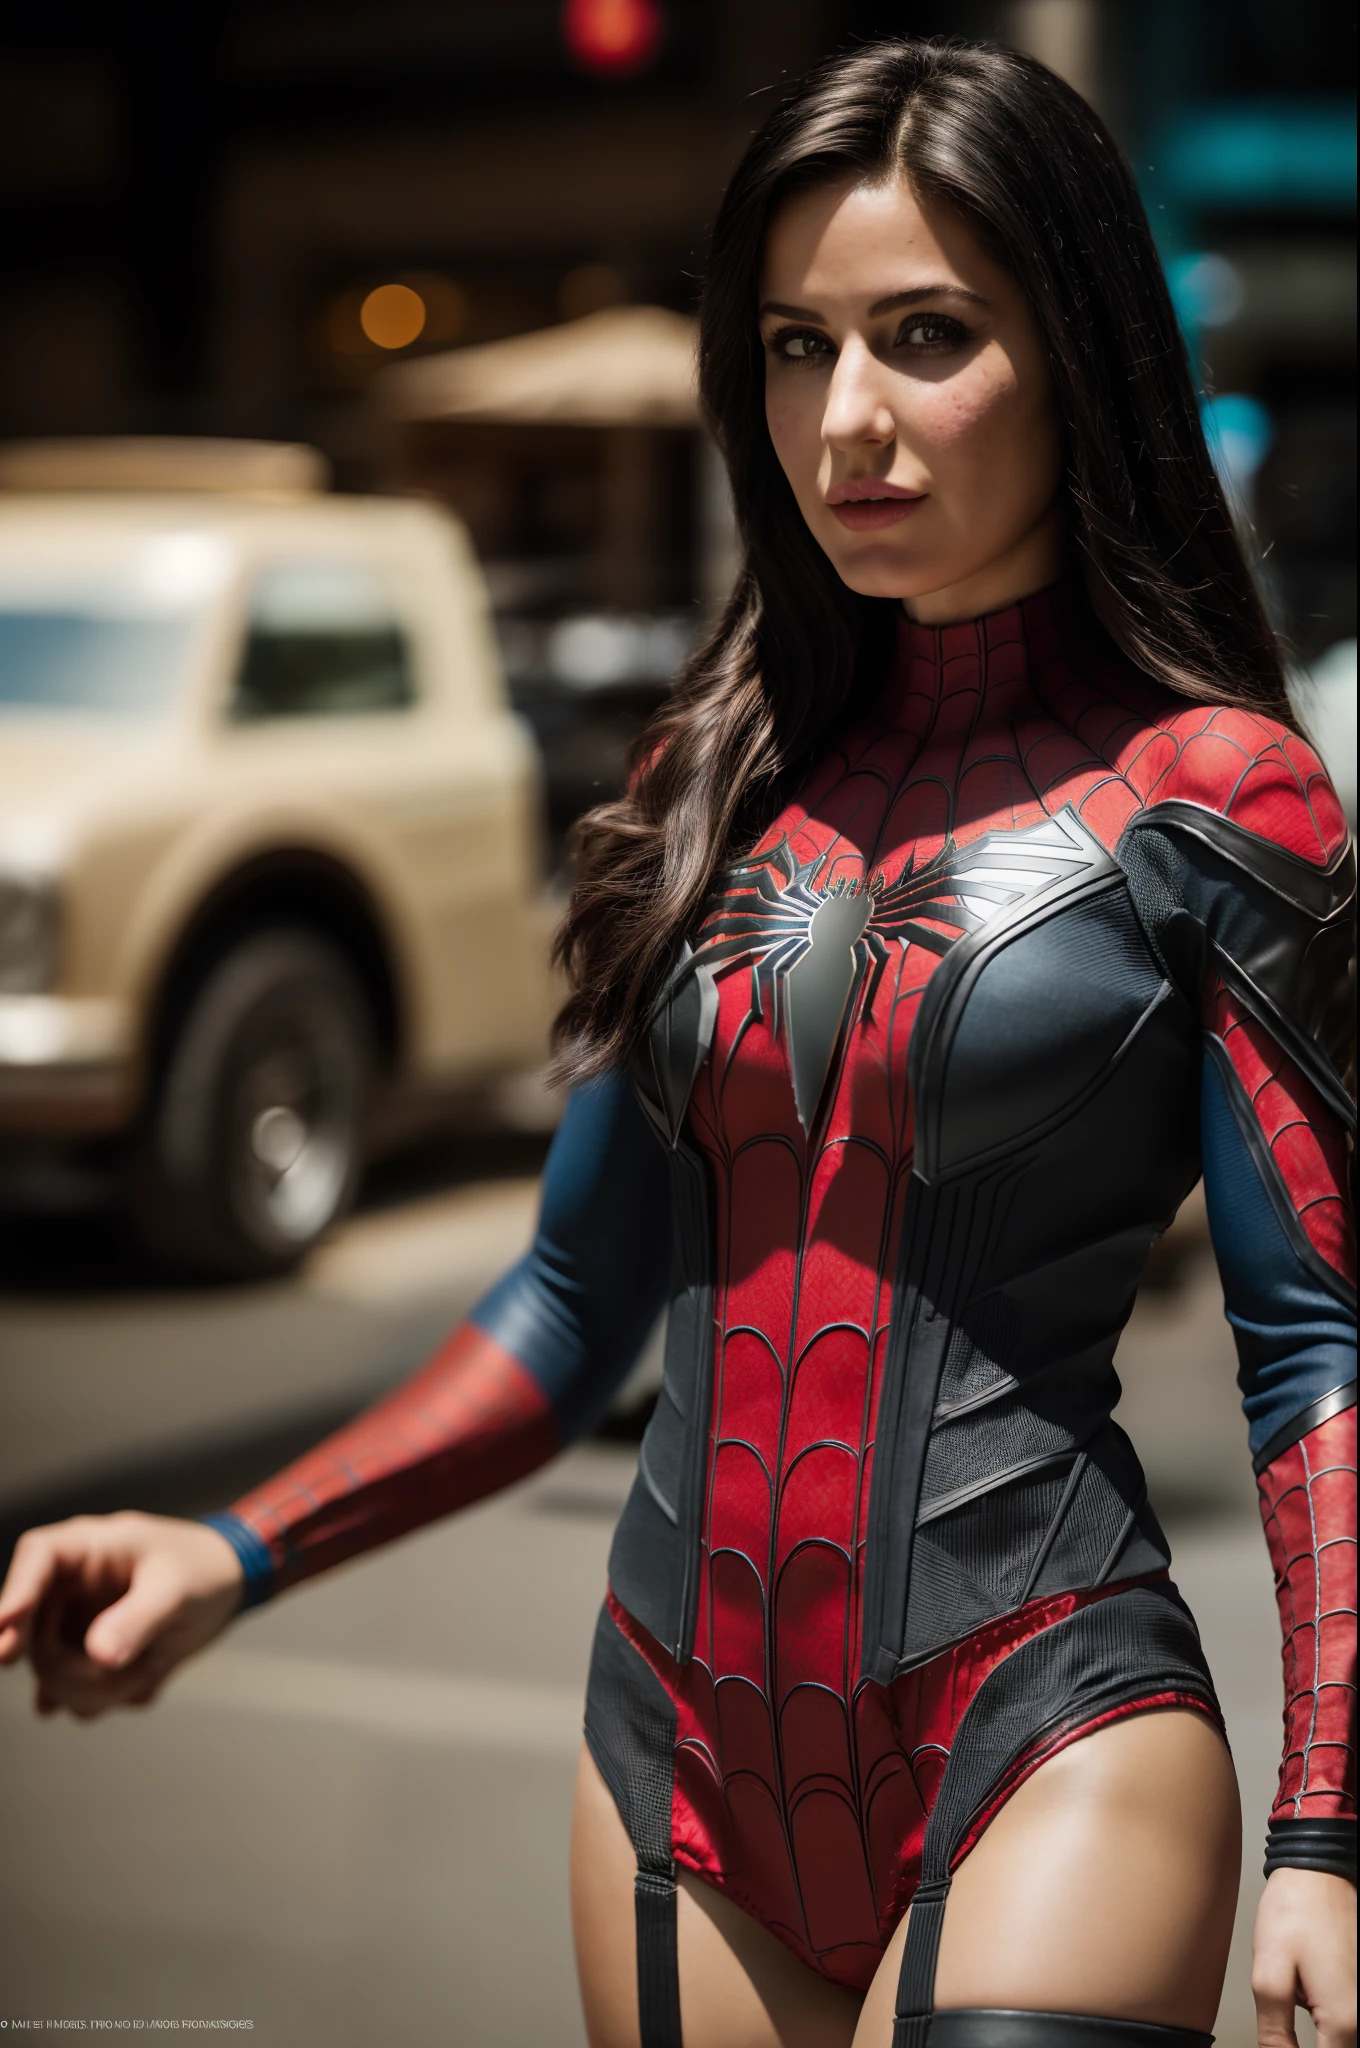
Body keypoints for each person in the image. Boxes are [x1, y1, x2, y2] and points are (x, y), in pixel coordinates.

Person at [0, 38, 1353, 2048]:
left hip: (1044, 1723)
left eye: (923, 336)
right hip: (667, 1757)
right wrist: (227, 1547)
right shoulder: (703, 784)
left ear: (1072, 350)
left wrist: (1327, 1825)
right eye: (796, 347)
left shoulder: (1215, 798)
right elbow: (564, 1304)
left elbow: (1313, 1342)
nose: (850, 420)